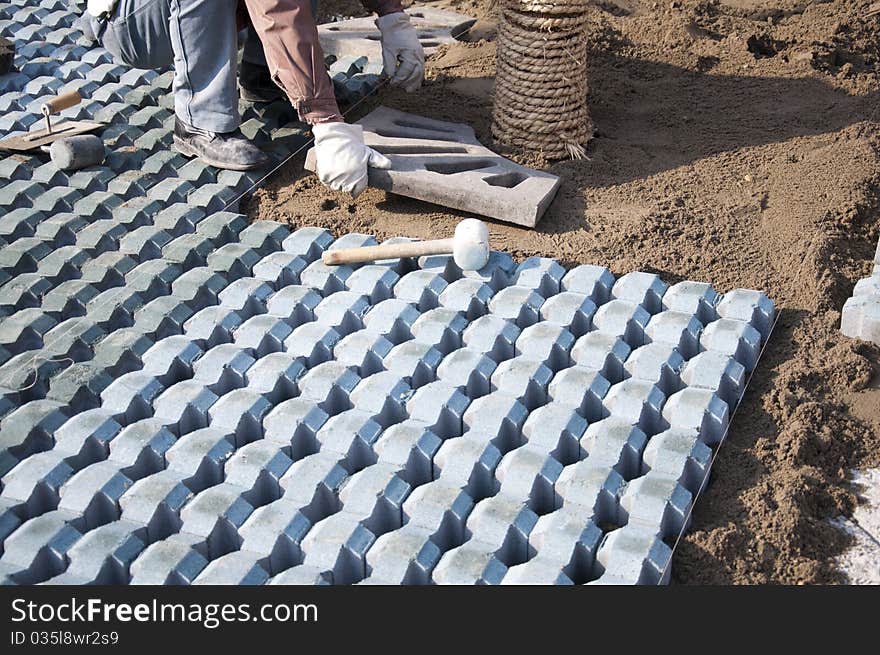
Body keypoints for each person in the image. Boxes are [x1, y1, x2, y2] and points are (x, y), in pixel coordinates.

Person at [84, 0, 425, 196]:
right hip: (130, 20)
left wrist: (391, 14)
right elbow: (278, 9)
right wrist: (326, 122)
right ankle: (199, 118)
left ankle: (266, 79)